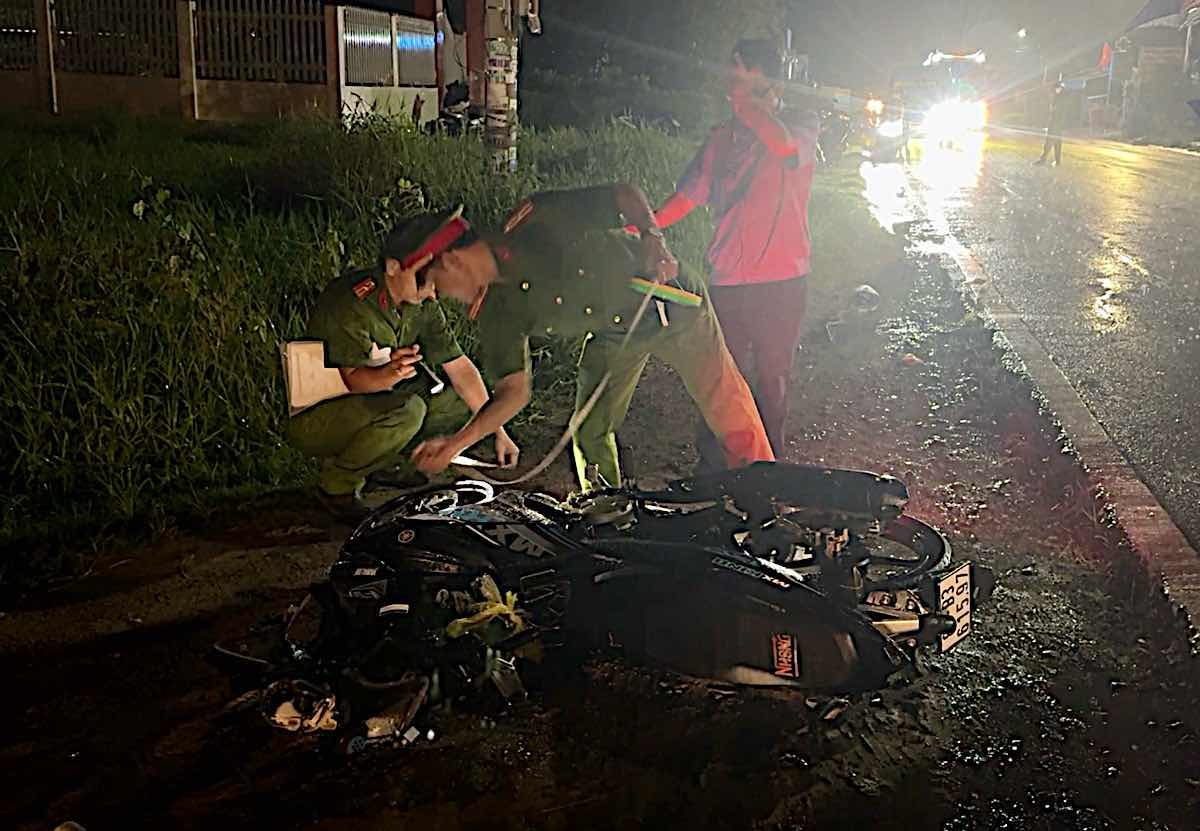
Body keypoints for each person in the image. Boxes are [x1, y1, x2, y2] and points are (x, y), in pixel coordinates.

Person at [408, 184, 775, 490]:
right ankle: (606, 512)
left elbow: (623, 194)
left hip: (669, 302)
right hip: (614, 334)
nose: (433, 297)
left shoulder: (536, 220)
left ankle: (768, 496)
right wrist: (455, 445)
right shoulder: (494, 313)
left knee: (727, 405)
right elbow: (514, 391)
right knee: (589, 429)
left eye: (431, 286)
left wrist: (653, 237)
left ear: (452, 260)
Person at [650, 38, 820, 466]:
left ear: (771, 84)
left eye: (742, 76)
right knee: (721, 378)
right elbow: (686, 198)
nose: (732, 87)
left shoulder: (800, 124)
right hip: (727, 279)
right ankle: (713, 472)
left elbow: (783, 148)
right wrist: (642, 226)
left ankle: (768, 471)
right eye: (732, 77)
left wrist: (751, 104)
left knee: (772, 379)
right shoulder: (721, 138)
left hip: (782, 280)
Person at [288, 209, 520, 521]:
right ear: (393, 268)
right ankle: (337, 487)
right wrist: (389, 374)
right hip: (320, 412)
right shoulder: (351, 302)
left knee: (456, 402)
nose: (434, 290)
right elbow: (352, 379)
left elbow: (460, 368)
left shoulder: (422, 303)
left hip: (376, 397)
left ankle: (389, 463)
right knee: (410, 411)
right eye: (426, 276)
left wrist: (497, 430)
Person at [1035, 82, 1067, 166]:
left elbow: (1057, 111)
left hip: (1056, 123)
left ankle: (1043, 160)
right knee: (1057, 143)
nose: (1056, 90)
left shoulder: (1060, 99)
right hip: (1058, 124)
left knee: (1049, 141)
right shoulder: (1059, 97)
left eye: (1057, 88)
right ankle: (1057, 161)